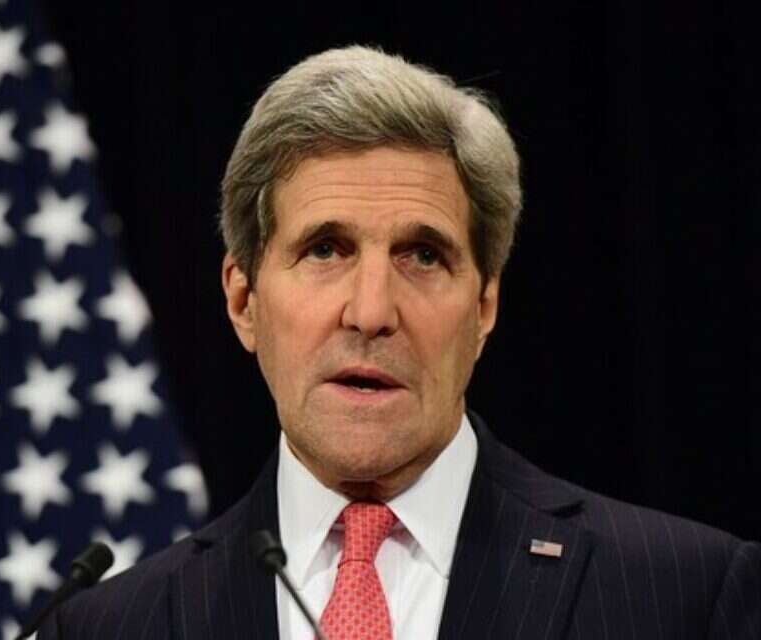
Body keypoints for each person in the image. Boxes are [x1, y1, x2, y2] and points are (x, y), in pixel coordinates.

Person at [39, 45, 760, 639]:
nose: (371, 312)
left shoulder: (683, 595)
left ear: (484, 306)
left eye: (423, 256)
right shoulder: (113, 626)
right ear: (244, 300)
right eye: (326, 249)